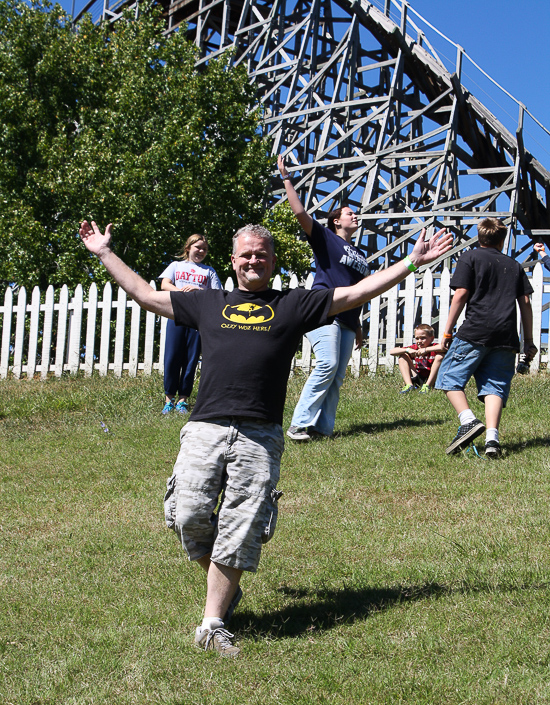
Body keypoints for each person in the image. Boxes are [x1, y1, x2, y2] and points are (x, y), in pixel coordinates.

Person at [78, 217, 452, 658]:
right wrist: (103, 252)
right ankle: (227, 587)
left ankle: (213, 622)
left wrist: (412, 262)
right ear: (233, 261)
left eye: (262, 253)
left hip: (260, 434)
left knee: (241, 526)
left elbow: (357, 292)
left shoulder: (293, 304)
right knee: (187, 514)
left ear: (273, 261)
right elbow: (144, 293)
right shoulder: (206, 302)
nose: (253, 259)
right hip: (205, 425)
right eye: (246, 254)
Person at [278, 155, 371, 441]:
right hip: (324, 309)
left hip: (347, 317)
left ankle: (322, 428)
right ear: (335, 221)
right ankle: (298, 423)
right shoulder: (325, 238)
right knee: (327, 364)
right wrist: (286, 178)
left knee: (337, 376)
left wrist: (358, 325)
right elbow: (300, 213)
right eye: (349, 213)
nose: (355, 215)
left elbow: (358, 289)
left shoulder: (360, 254)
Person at [435, 217, 537, 458]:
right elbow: (525, 303)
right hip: (506, 336)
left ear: (479, 237)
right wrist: (528, 340)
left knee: (448, 377)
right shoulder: (514, 265)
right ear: (502, 240)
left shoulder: (470, 257)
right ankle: (492, 440)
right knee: (495, 387)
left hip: (476, 330)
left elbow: (461, 294)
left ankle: (468, 420)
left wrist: (447, 331)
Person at [159, 235, 222, 415]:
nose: (201, 251)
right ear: (188, 248)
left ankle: (183, 400)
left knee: (191, 359)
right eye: (198, 247)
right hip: (176, 315)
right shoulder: (176, 266)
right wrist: (181, 292)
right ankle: (169, 400)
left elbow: (216, 293)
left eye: (204, 249)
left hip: (197, 319)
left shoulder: (208, 271)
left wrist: (198, 290)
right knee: (172, 356)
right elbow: (165, 284)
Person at [389, 324, 446, 393]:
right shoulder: (415, 348)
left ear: (432, 339)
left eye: (423, 338)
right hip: (418, 377)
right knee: (402, 357)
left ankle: (428, 386)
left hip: (434, 378)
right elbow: (392, 352)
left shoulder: (434, 347)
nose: (419, 341)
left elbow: (444, 347)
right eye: (417, 338)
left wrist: (426, 350)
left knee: (440, 356)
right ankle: (409, 385)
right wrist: (407, 350)